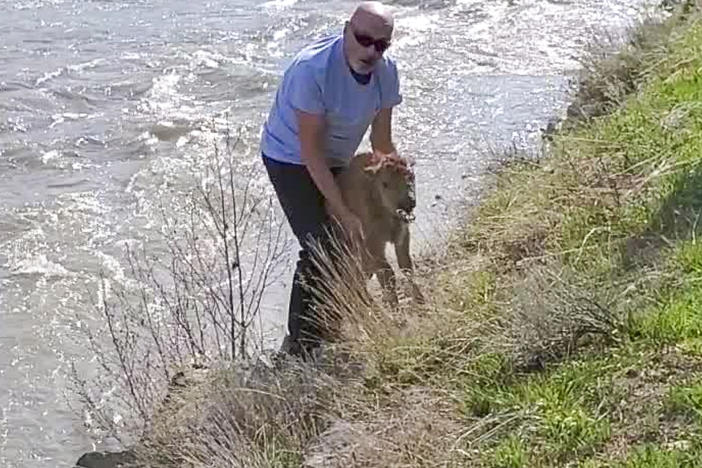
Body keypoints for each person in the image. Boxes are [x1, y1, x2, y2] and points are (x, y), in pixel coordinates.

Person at [261, 1, 402, 358]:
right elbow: (311, 153)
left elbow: (381, 143)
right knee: (323, 242)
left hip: (338, 157)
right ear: (346, 30)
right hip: (290, 157)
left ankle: (333, 320)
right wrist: (342, 211)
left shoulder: (386, 73)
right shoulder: (313, 70)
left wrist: (397, 176)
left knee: (364, 235)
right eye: (363, 38)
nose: (371, 50)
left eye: (381, 44)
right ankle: (299, 348)